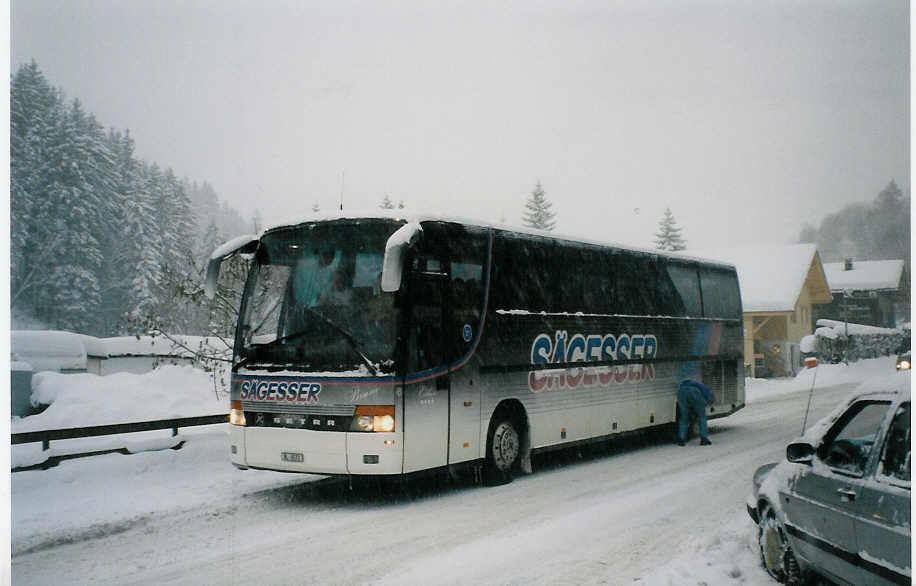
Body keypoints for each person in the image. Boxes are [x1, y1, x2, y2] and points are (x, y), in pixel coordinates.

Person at [677, 378, 713, 446]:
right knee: (702, 417)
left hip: (681, 391)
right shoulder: (708, 392)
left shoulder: (698, 384)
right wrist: (707, 404)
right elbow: (706, 402)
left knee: (683, 417)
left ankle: (681, 439)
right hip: (694, 391)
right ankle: (704, 439)